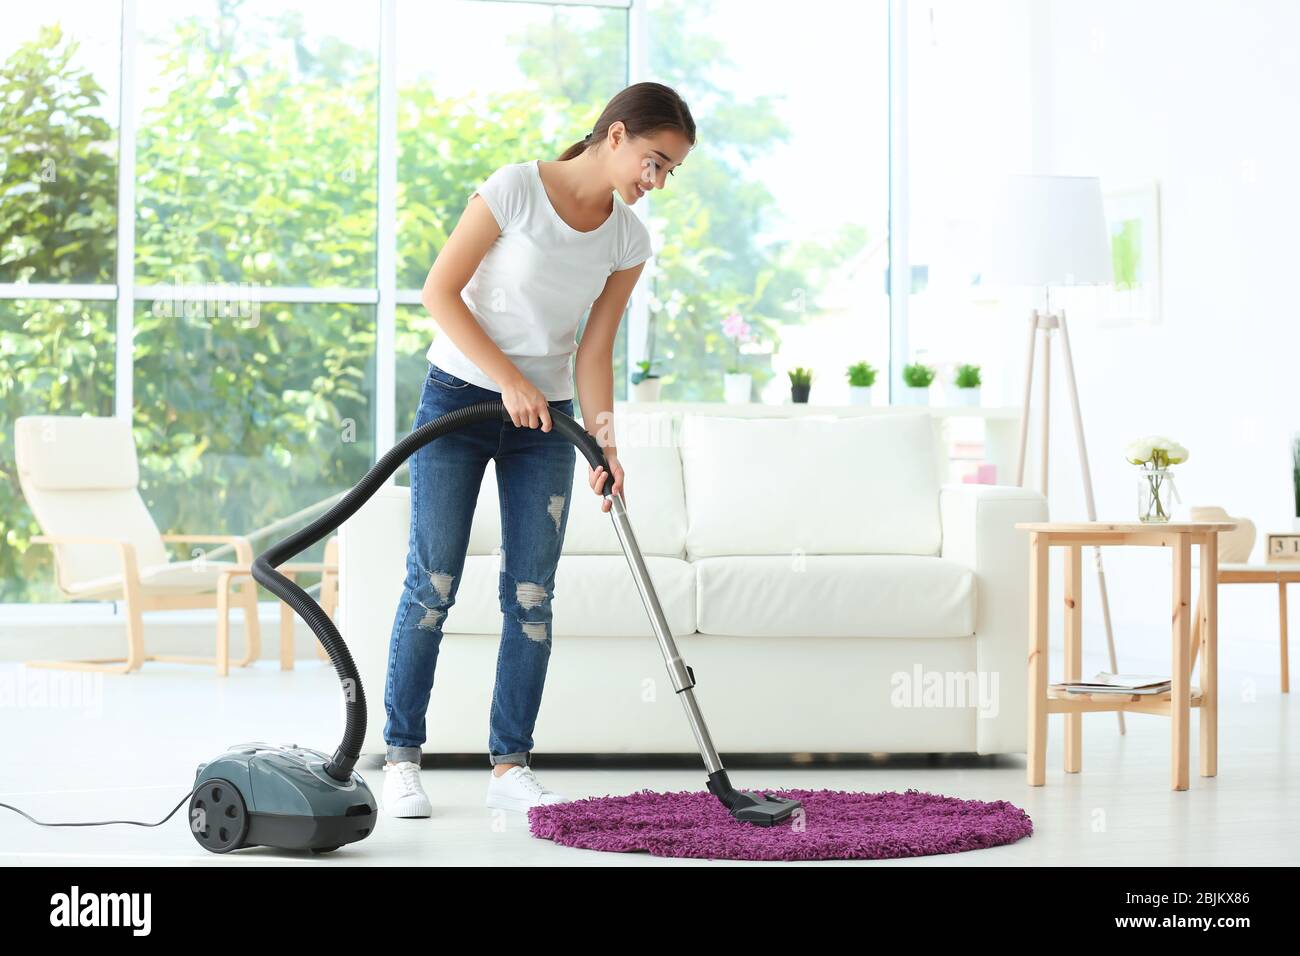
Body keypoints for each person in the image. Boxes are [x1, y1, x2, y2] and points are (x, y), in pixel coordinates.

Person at [381, 82, 695, 817]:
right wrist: (508, 381)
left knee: (531, 595)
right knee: (433, 583)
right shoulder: (515, 189)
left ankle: (510, 765)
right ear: (614, 135)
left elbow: (593, 352)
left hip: (548, 422)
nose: (656, 183)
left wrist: (606, 447)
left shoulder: (628, 240)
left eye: (669, 173)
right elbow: (438, 292)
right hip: (457, 401)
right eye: (653, 162)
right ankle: (401, 757)